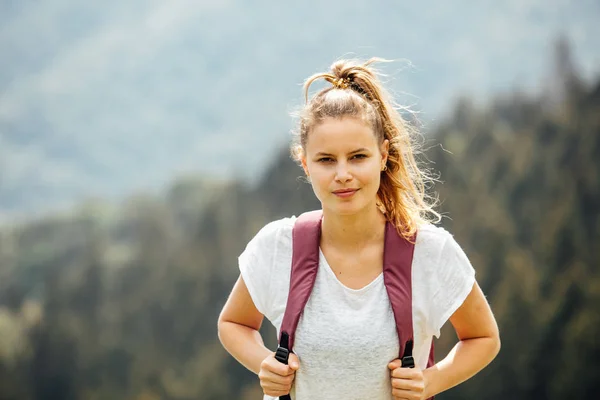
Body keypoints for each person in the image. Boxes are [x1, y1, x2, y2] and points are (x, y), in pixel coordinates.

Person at [217, 58, 500, 400]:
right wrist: (264, 364)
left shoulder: (429, 250)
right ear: (304, 163)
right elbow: (233, 324)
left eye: (357, 157)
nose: (342, 174)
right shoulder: (277, 246)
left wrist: (432, 381)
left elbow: (483, 338)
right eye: (325, 160)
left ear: (382, 156)